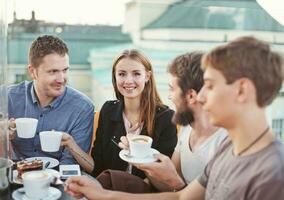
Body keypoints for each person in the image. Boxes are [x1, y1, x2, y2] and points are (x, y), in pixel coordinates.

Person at [64, 36, 284, 200]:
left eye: (210, 85)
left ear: (242, 90)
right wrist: (101, 194)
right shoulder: (230, 148)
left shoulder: (272, 174)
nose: (201, 96)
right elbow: (181, 196)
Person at [115, 52, 226, 192]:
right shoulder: (187, 130)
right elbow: (167, 187)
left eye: (172, 89)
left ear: (191, 96)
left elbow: (176, 185)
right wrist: (140, 159)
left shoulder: (225, 144)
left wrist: (177, 183)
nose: (169, 96)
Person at [7, 35, 94, 164]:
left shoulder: (82, 107)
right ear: (33, 71)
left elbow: (69, 164)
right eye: (53, 71)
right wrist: (0, 137)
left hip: (58, 177)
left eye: (65, 70)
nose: (61, 79)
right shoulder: (8, 97)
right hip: (17, 174)